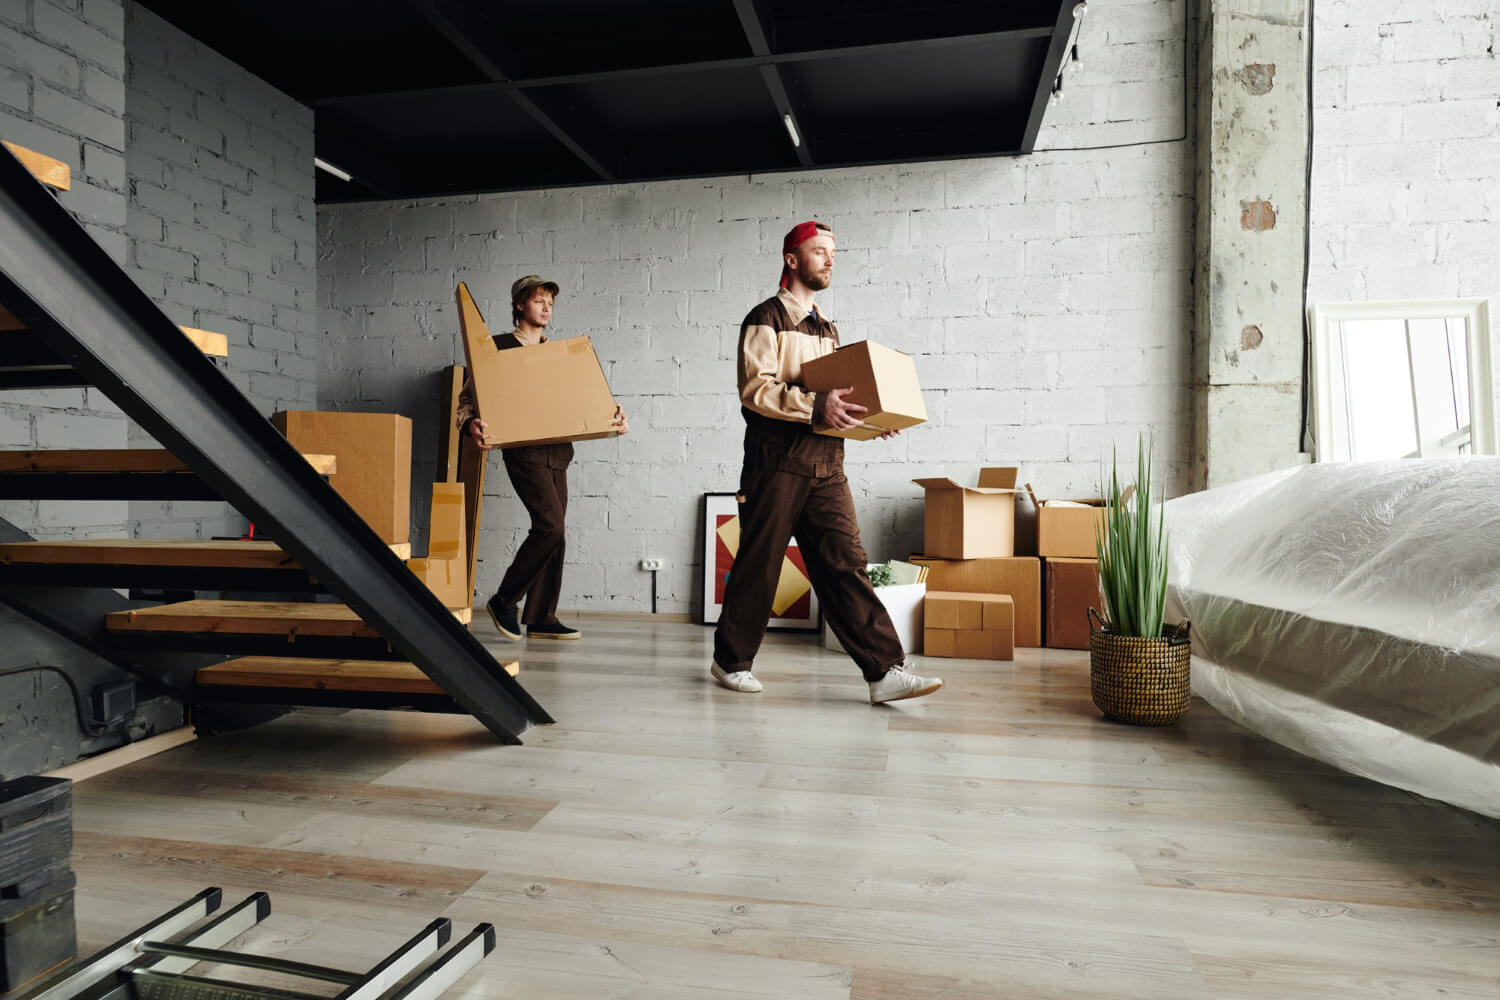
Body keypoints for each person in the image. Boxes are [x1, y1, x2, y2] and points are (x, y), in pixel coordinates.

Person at [711, 221, 942, 704]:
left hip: (826, 466)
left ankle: (884, 671)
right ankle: (730, 662)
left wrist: (871, 420)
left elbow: (833, 400)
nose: (830, 259)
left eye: (833, 252)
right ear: (792, 260)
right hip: (776, 464)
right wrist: (819, 407)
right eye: (819, 252)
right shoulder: (765, 318)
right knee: (761, 564)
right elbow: (756, 392)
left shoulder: (827, 327)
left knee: (847, 564)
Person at [456, 275, 628, 641]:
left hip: (559, 451)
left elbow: (581, 398)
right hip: (524, 450)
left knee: (557, 535)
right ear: (520, 305)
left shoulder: (558, 354)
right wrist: (471, 424)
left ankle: (541, 616)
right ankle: (505, 600)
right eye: (538, 300)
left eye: (550, 300)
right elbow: (465, 401)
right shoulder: (496, 348)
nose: (547, 306)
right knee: (551, 526)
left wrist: (611, 414)